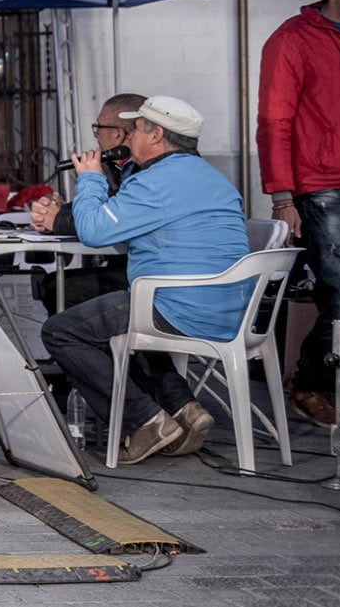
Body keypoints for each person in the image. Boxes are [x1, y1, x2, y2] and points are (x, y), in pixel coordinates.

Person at [41, 97, 249, 464]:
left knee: (61, 331)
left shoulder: (157, 182)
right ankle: (182, 408)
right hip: (228, 310)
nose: (130, 135)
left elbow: (94, 230)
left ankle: (145, 421)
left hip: (178, 306)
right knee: (115, 311)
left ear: (155, 135)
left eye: (136, 128)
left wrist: (89, 178)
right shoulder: (211, 178)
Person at [257, 0, 340, 429]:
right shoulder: (292, 39)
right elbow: (274, 122)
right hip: (322, 186)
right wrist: (281, 197)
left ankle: (336, 389)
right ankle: (314, 383)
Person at [25, 93, 142, 312]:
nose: (96, 134)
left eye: (98, 126)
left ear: (118, 134)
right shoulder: (120, 166)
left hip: (145, 279)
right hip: (136, 270)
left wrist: (58, 220)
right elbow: (107, 203)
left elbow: (109, 220)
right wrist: (55, 212)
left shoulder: (146, 171)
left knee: (57, 290)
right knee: (56, 285)